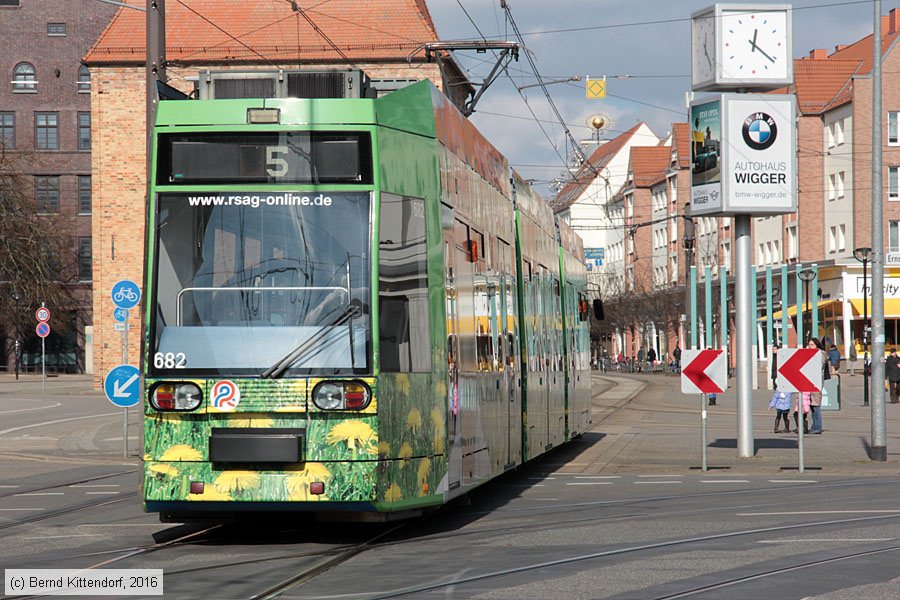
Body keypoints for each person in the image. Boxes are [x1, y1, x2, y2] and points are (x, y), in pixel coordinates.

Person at [808, 337, 827, 434]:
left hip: (816, 382)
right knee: (812, 405)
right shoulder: (812, 354)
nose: (810, 347)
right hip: (811, 381)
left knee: (815, 405)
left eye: (812, 345)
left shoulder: (820, 354)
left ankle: (817, 427)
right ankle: (814, 426)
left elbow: (818, 367)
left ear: (817, 345)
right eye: (809, 345)